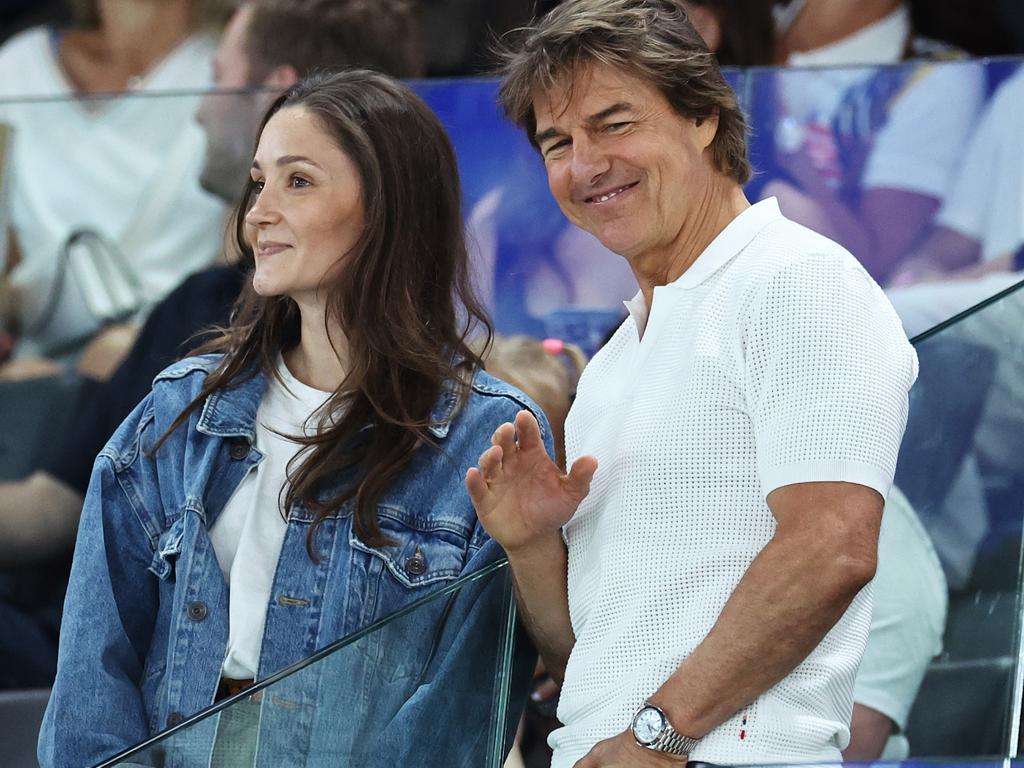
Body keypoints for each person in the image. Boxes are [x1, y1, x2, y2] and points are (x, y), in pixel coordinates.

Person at [39, 69, 546, 766]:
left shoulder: (483, 436)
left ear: (388, 207)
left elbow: (456, 723)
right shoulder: (180, 412)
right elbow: (93, 682)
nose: (257, 215)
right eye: (259, 181)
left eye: (298, 181)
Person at [466, 2, 917, 766]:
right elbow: (594, 667)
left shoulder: (798, 279)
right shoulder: (613, 363)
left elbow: (833, 545)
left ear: (704, 115)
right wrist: (533, 547)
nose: (585, 165)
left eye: (614, 124)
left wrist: (659, 734)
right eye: (558, 142)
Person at [0, 0, 425, 690]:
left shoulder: (447, 409)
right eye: (263, 183)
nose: (197, 111)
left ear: (278, 88)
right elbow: (78, 503)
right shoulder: (201, 313)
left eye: (216, 77)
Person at [0, 0, 228, 364]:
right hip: (35, 374)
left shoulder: (229, 68)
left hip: (183, 362)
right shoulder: (16, 67)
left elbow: (245, 254)